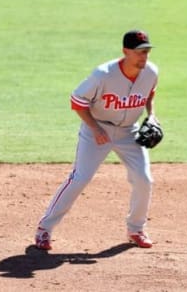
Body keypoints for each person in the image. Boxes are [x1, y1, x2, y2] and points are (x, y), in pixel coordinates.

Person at [35, 29, 160, 250]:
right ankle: (44, 229)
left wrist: (152, 115)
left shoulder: (151, 72)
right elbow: (77, 101)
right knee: (80, 178)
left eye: (147, 51)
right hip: (97, 129)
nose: (144, 56)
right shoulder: (103, 74)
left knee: (144, 179)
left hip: (128, 133)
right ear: (125, 51)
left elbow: (150, 94)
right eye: (139, 52)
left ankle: (136, 229)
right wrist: (94, 128)